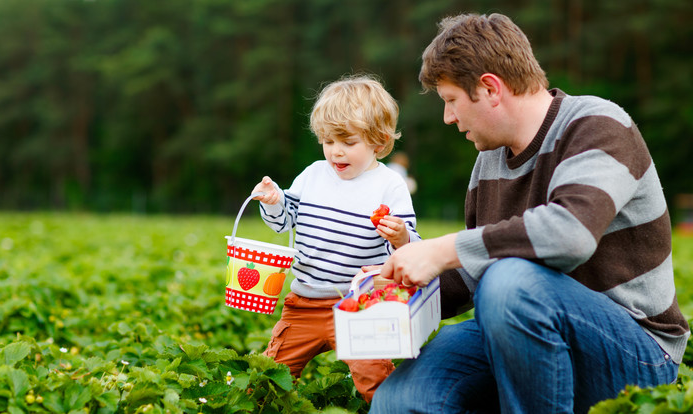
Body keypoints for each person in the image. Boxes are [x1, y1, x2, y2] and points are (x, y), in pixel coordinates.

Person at [369, 13, 690, 413]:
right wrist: (386, 292)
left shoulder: (598, 125)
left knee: (510, 281)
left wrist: (441, 249)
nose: (448, 117)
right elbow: (472, 272)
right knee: (400, 400)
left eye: (451, 101)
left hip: (636, 351)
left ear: (490, 88)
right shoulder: (488, 163)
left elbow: (569, 233)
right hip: (521, 326)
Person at [251, 74, 421, 402]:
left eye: (348, 142)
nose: (336, 152)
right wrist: (274, 202)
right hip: (302, 305)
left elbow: (408, 246)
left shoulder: (390, 185)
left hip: (359, 306)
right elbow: (285, 220)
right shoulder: (313, 175)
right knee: (270, 378)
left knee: (375, 380)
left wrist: (399, 235)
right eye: (328, 141)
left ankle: (391, 408)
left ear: (379, 141)